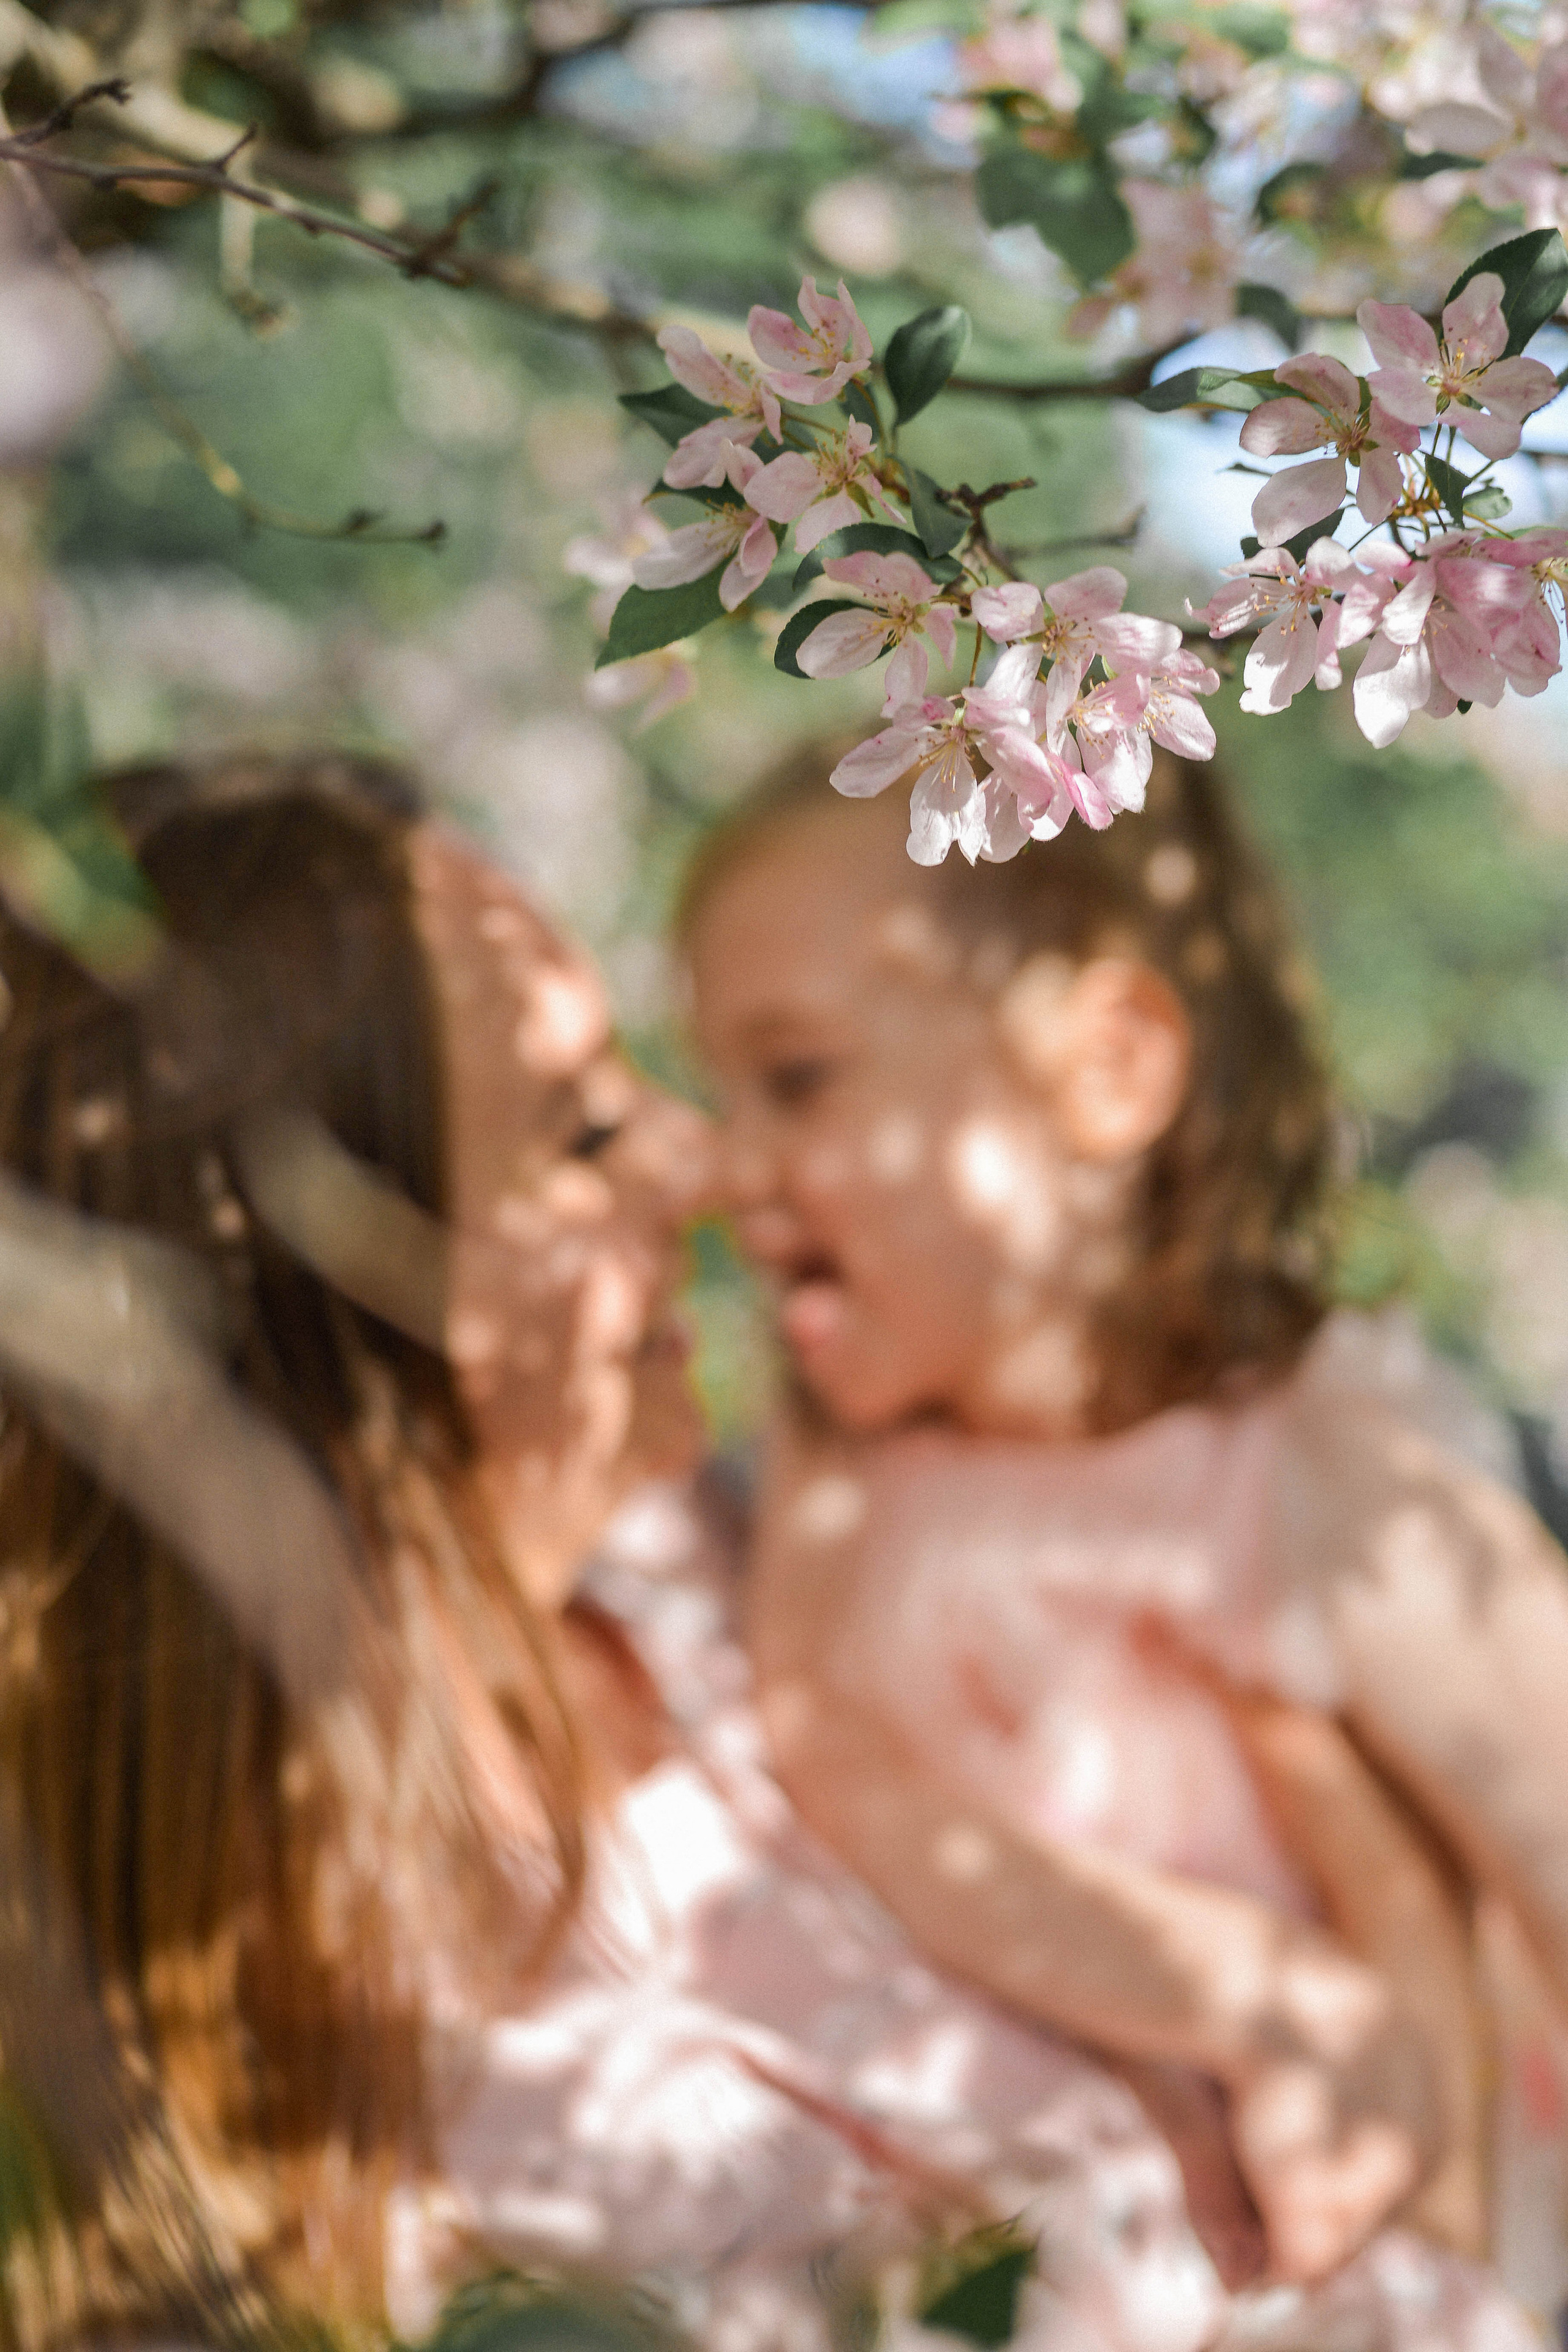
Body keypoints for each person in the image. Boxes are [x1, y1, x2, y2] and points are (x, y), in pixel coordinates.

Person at [0, 749, 1530, 2352]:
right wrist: (1413, 2123)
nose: (714, 1169)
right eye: (585, 1131)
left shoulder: (731, 1583)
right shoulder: (307, 2105)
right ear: (339, 1292)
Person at [683, 742, 1568, 2329]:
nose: (721, 1166)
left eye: (798, 1078)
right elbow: (830, 1752)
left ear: (1106, 1069)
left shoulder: (1325, 1480)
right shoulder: (836, 1474)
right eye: (717, 1090)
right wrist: (1235, 1976)